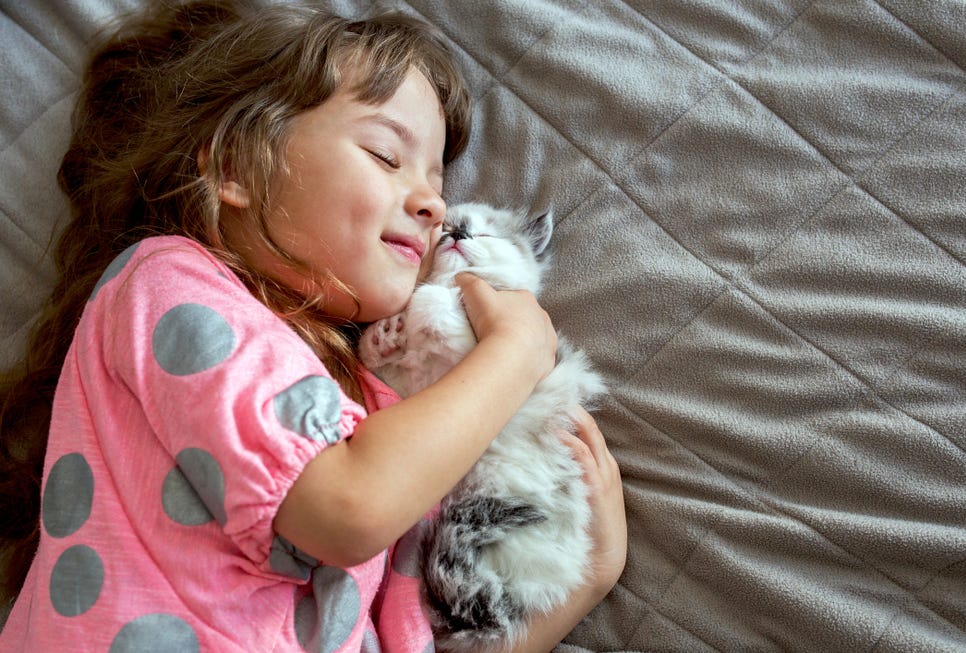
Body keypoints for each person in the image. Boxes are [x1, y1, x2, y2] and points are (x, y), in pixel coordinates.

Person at [0, 1, 627, 650]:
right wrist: (517, 350)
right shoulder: (169, 285)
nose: (435, 202)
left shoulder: (370, 403)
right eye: (387, 155)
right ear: (237, 166)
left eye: (437, 180)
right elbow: (348, 507)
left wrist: (585, 583)